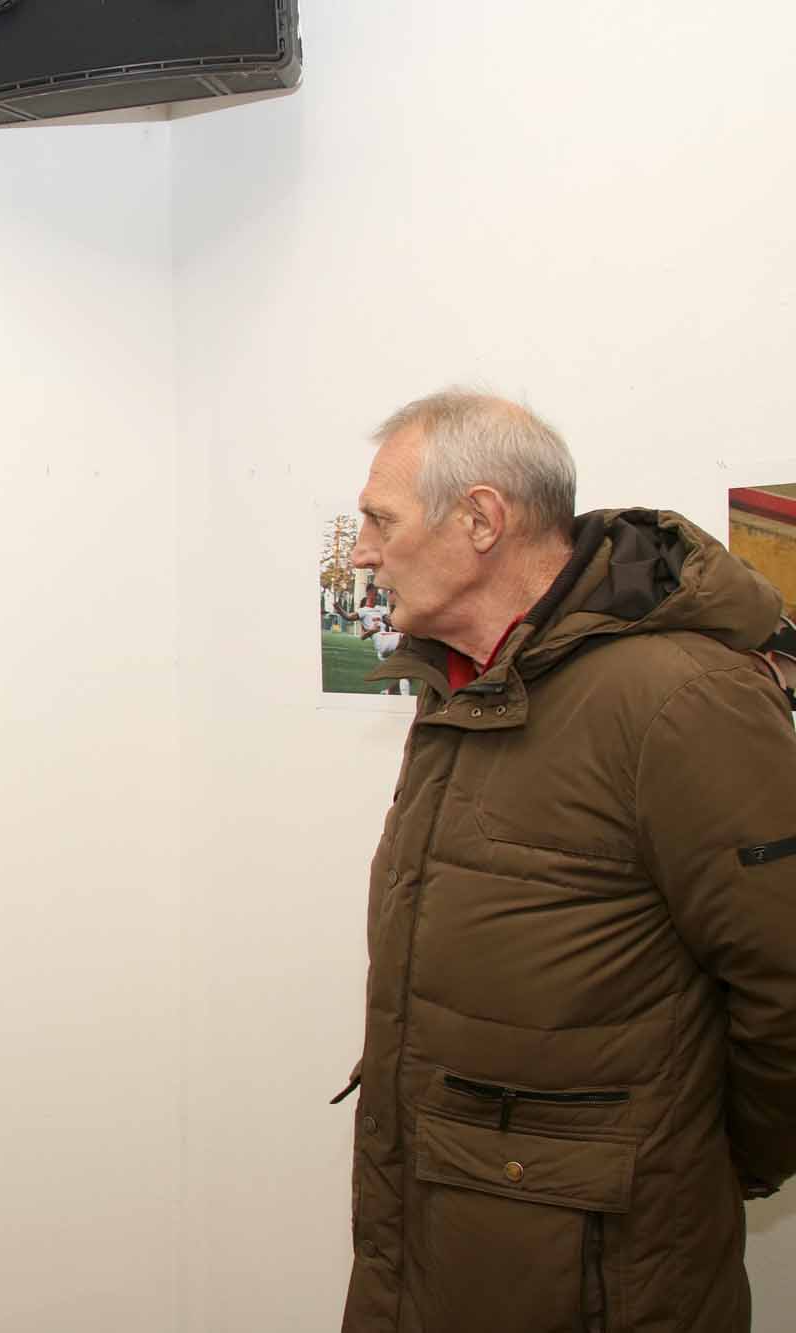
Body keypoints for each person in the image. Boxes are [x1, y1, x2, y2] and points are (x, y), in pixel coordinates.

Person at [338, 390, 796, 1332]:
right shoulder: (465, 683)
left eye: (379, 521)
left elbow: (787, 984)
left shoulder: (679, 700)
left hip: (600, 1278)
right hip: (441, 1246)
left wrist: (691, 1161)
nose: (360, 554)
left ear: (480, 520)